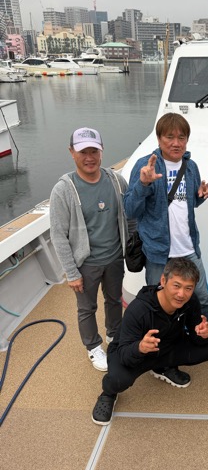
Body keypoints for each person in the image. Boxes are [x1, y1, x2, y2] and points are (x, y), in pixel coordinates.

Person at [124, 112, 208, 374]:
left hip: (188, 249)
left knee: (203, 299)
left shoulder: (190, 167)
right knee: (158, 307)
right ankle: (158, 352)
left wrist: (201, 196)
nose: (176, 142)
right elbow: (130, 209)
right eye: (170, 137)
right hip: (158, 253)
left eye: (181, 137)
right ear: (159, 139)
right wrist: (143, 184)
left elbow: (187, 203)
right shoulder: (145, 166)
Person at [91, 257, 208, 425]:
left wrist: (203, 334)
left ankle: (163, 368)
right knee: (118, 379)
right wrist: (140, 347)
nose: (181, 294)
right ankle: (108, 394)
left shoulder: (190, 301)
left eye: (188, 288)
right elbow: (124, 354)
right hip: (132, 351)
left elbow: (196, 337)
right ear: (163, 281)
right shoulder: (138, 310)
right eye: (176, 285)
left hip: (167, 346)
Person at [50, 127, 131, 372]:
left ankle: (114, 335)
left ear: (101, 151)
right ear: (71, 152)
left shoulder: (116, 181)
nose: (89, 157)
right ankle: (93, 346)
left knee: (114, 300)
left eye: (94, 151)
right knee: (87, 308)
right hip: (86, 263)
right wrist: (71, 272)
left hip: (115, 257)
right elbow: (58, 235)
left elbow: (130, 216)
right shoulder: (64, 190)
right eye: (83, 151)